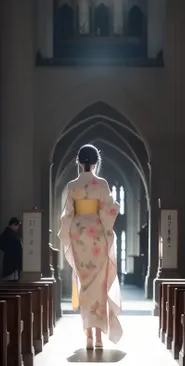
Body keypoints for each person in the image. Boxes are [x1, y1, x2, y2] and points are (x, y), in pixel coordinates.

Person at [58, 144, 122, 349]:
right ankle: (100, 337)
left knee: (84, 287)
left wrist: (67, 235)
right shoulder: (102, 184)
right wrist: (114, 209)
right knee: (100, 287)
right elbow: (108, 212)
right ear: (95, 163)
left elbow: (67, 216)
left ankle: (88, 337)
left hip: (79, 238)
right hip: (98, 238)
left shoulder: (72, 186)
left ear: (78, 161)